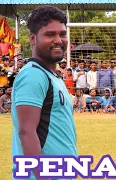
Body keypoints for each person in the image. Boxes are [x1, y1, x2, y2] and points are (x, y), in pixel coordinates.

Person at [11, 6, 77, 180]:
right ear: (33, 38)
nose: (58, 40)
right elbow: (26, 132)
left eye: (62, 34)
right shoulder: (33, 75)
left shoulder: (53, 76)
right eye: (50, 34)